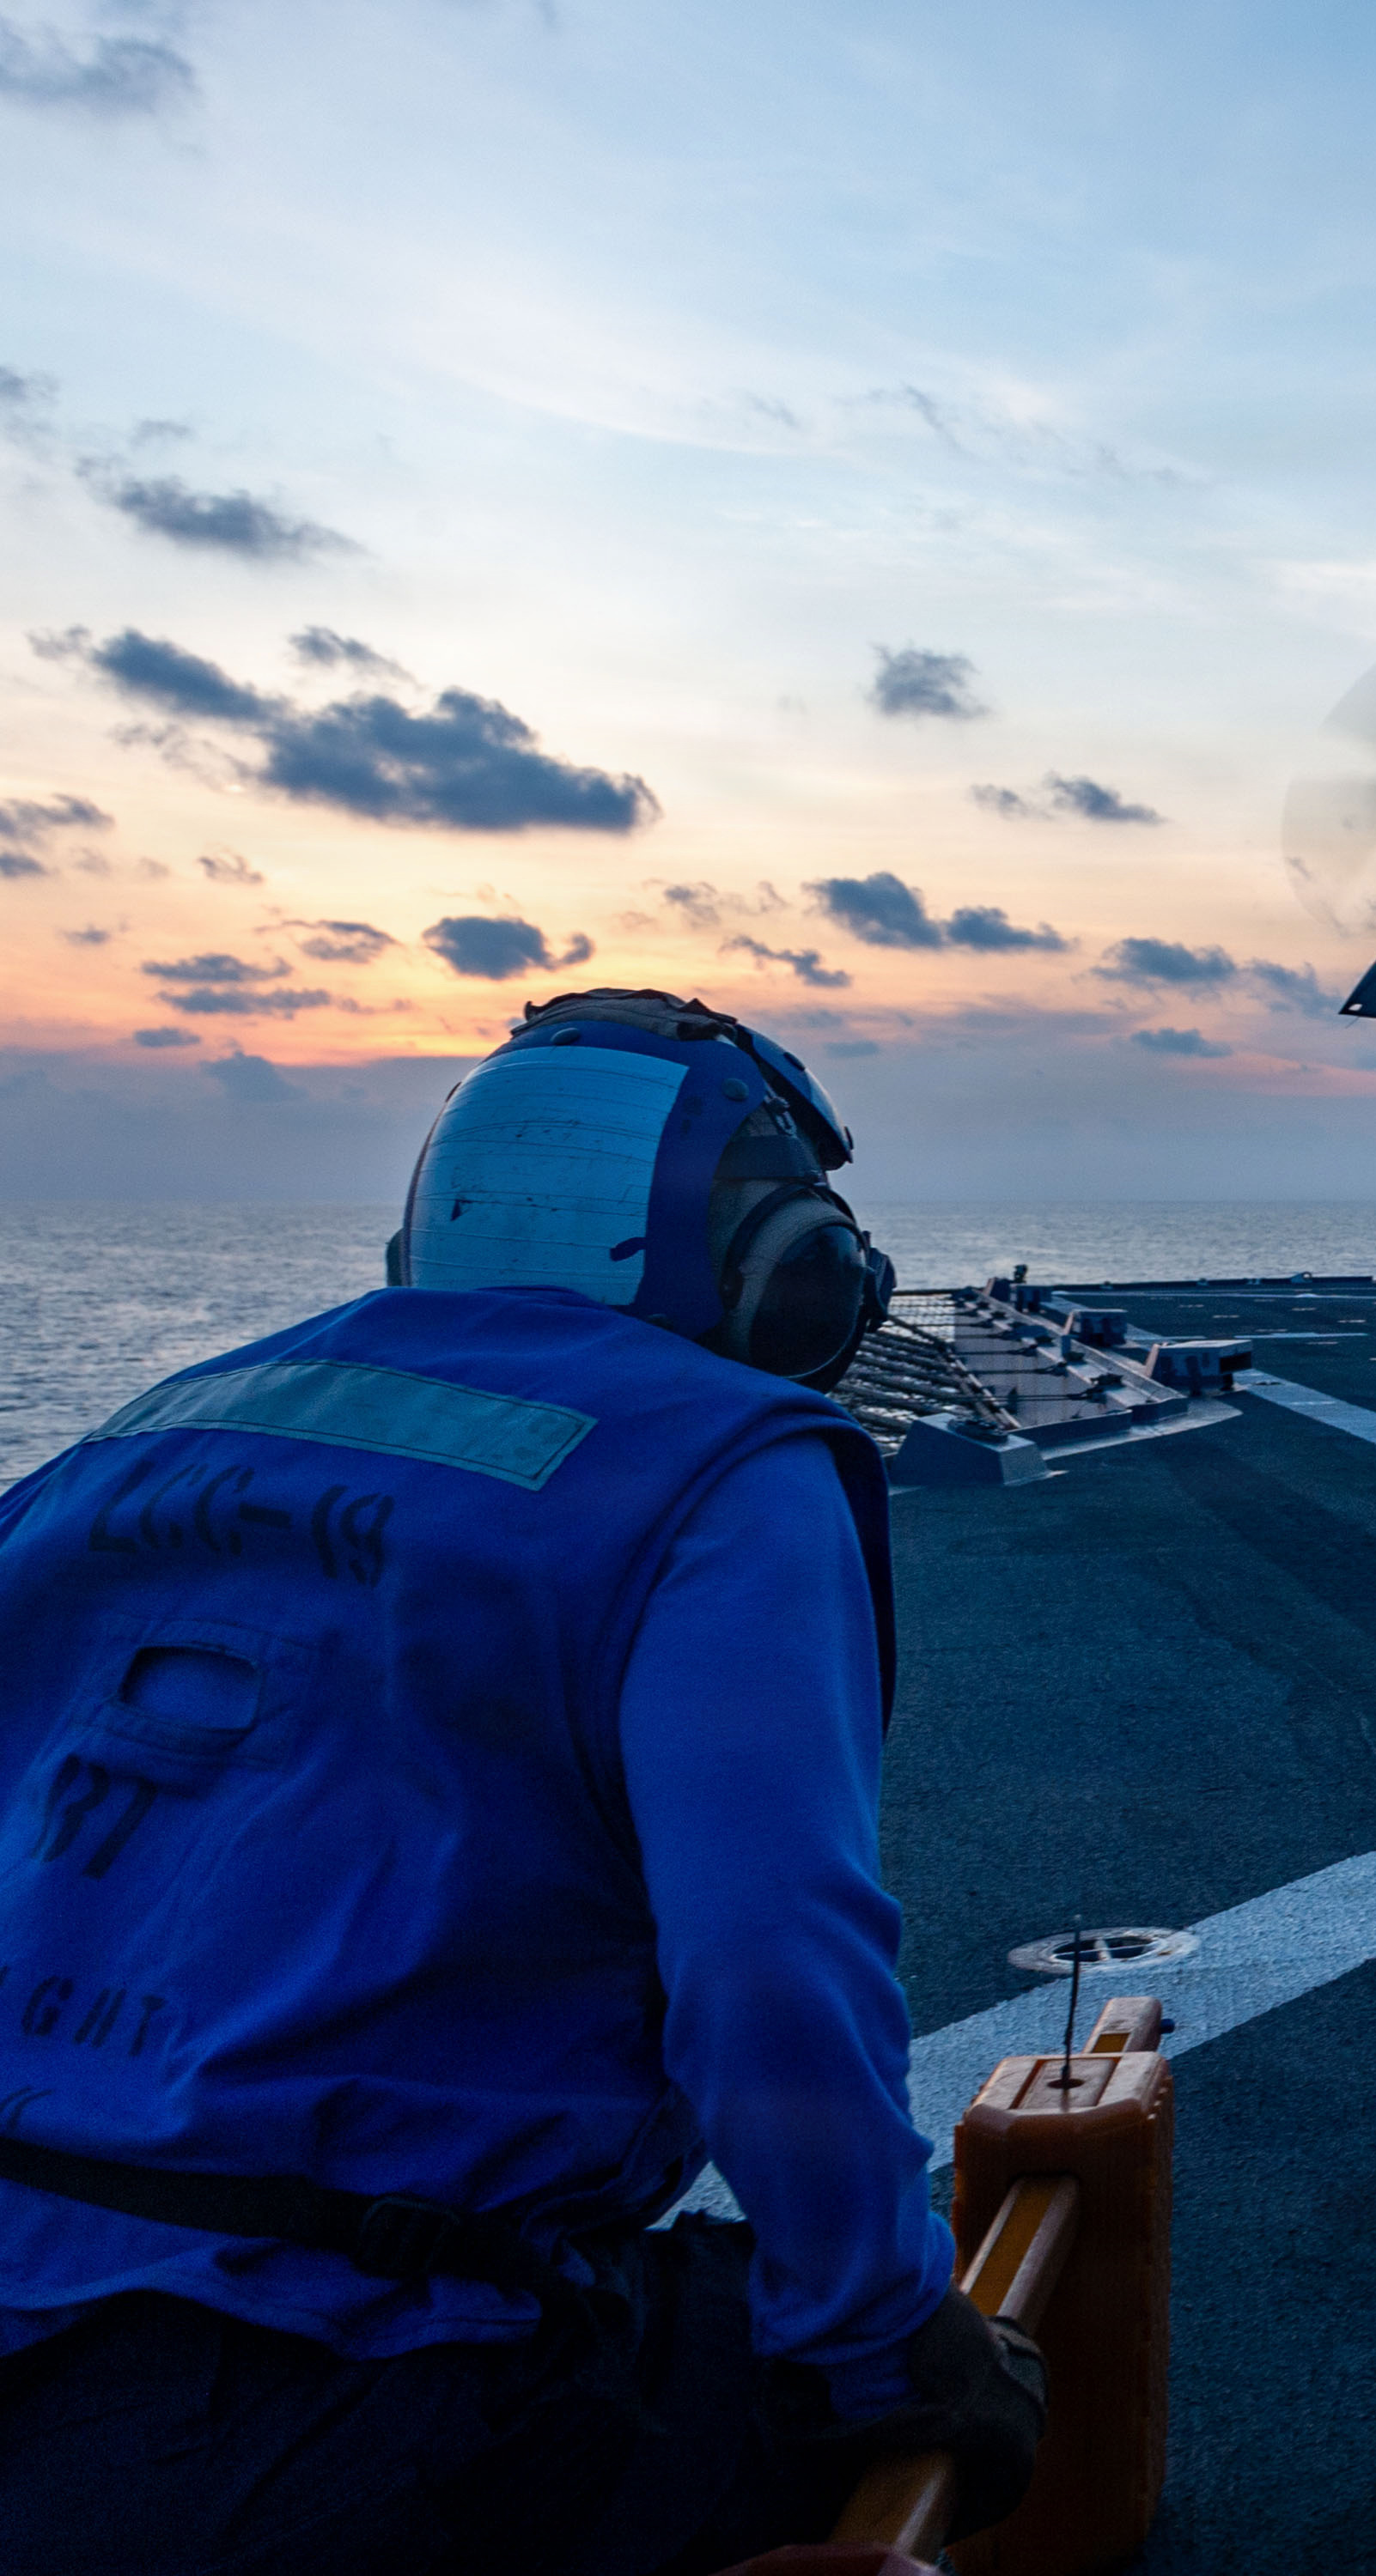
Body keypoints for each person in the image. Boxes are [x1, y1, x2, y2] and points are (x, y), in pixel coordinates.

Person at [0, 988, 1044, 2575]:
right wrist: (882, 2342)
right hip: (330, 2383)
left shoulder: (129, 1443)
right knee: (928, 2380)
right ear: (790, 1268)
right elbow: (769, 1962)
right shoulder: (717, 1463)